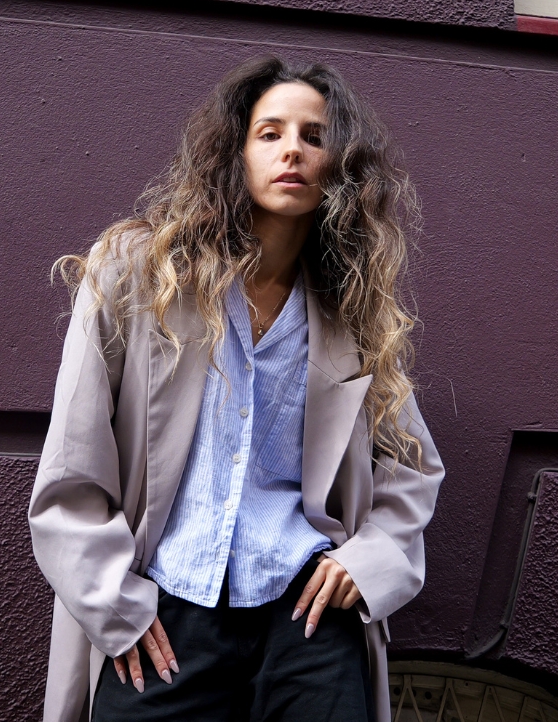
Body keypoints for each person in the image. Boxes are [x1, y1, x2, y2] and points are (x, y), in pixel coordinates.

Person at [29, 56, 444, 722]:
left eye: (314, 136)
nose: (293, 152)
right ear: (235, 153)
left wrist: (369, 562)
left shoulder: (349, 310)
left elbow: (412, 465)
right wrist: (114, 603)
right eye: (270, 133)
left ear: (340, 165)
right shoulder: (138, 274)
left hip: (306, 620)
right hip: (164, 613)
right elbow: (71, 469)